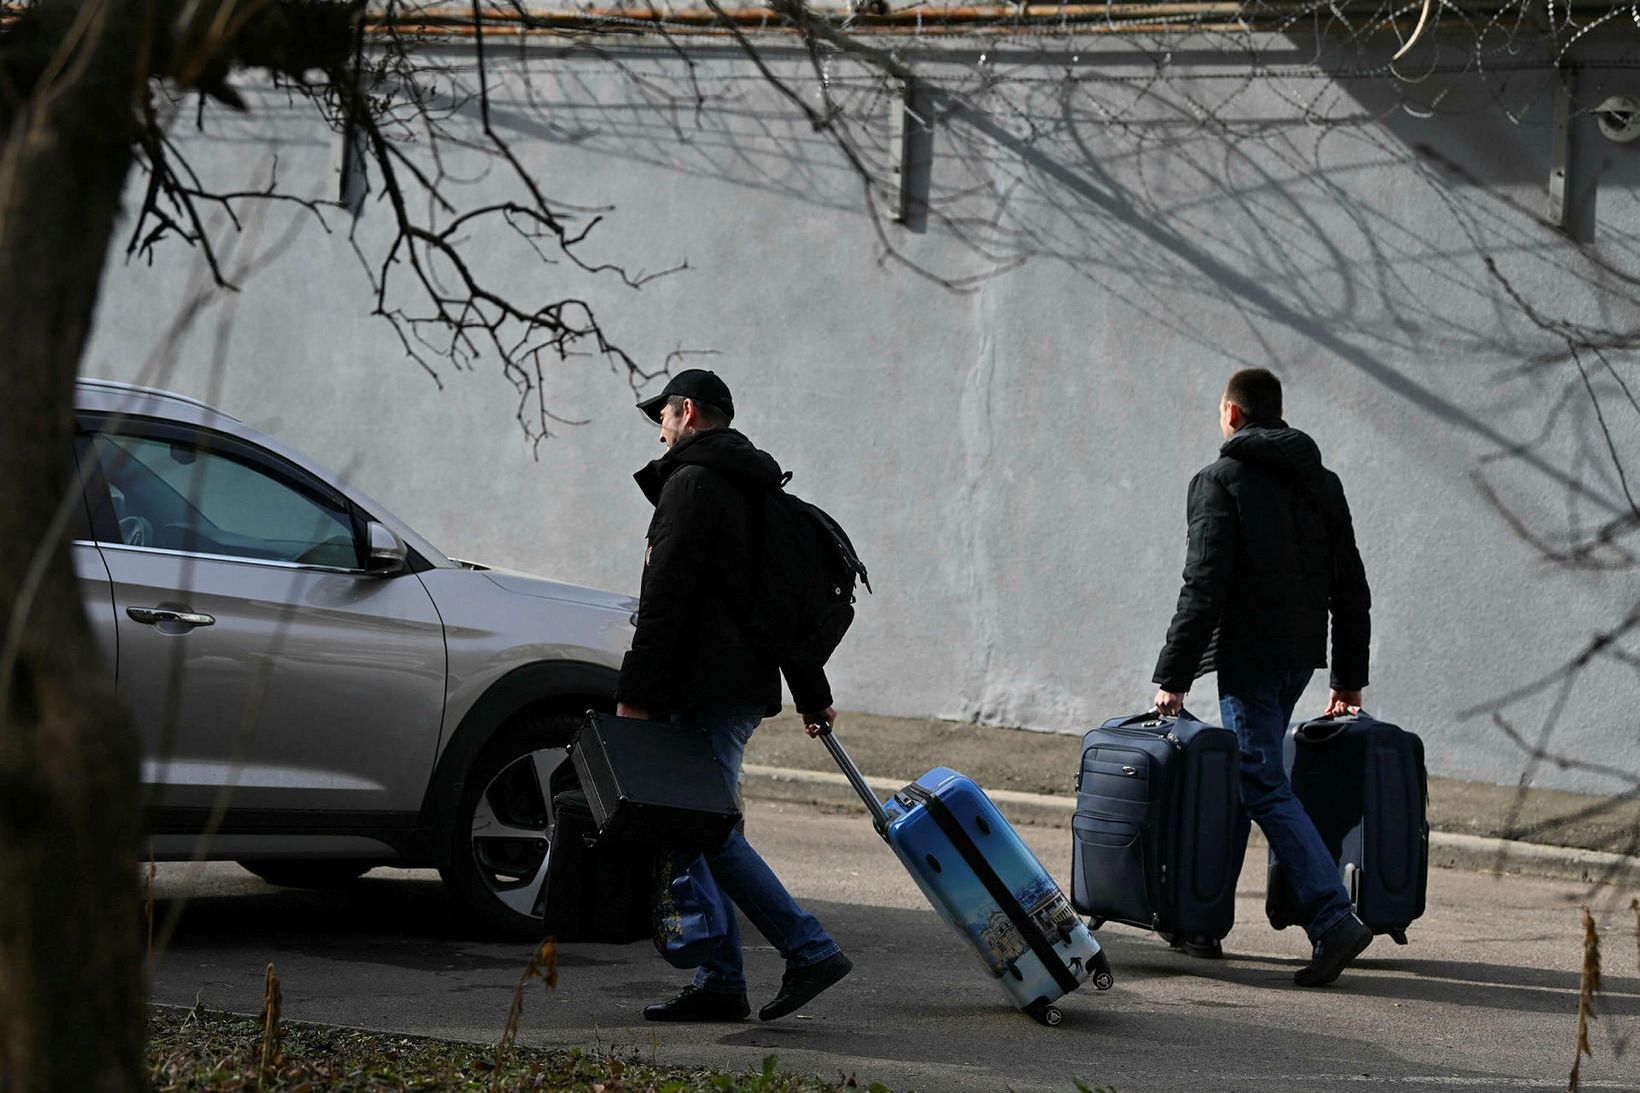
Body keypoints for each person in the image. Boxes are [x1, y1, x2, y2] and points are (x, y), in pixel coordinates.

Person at [615, 368, 853, 1022]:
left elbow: (663, 602)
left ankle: (810, 948)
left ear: (688, 411)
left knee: (707, 827)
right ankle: (721, 980)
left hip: (707, 686)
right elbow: (779, 602)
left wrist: (636, 697)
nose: (660, 429)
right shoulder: (754, 489)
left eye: (662, 415)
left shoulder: (691, 485)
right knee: (705, 824)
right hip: (737, 684)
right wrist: (811, 691)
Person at [1149, 367, 1375, 987]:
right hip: (1300, 657)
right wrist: (1348, 675)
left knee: (1260, 783)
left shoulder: (1219, 481)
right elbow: (1351, 587)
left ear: (1232, 414)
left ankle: (1333, 918)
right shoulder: (1322, 482)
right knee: (1251, 780)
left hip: (1248, 657)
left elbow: (1204, 584)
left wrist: (1173, 676)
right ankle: (1199, 921)